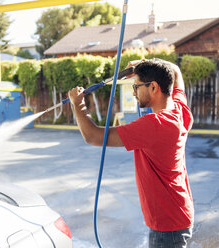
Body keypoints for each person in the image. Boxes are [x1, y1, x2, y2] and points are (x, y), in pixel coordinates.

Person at [68, 58, 194, 248]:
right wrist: (146, 64)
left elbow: (93, 136)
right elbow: (175, 71)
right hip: (177, 215)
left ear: (153, 87)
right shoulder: (178, 109)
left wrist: (77, 104)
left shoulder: (155, 124)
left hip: (167, 225)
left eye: (136, 87)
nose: (133, 93)